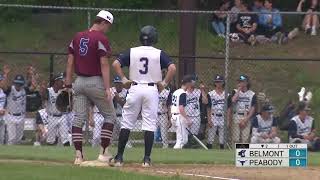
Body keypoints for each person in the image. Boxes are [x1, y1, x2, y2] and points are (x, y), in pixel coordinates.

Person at [111, 25, 176, 167]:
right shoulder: (159, 53)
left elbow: (116, 63)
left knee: (127, 122)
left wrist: (123, 79)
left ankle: (119, 158)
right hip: (151, 89)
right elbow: (172, 68)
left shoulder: (133, 51)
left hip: (135, 87)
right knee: (149, 125)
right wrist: (164, 83)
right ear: (154, 38)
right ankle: (146, 159)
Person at [65, 10, 117, 165]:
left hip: (79, 82)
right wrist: (107, 88)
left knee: (78, 119)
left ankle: (78, 156)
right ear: (103, 22)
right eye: (108, 25)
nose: (108, 29)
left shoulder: (77, 36)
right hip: (95, 82)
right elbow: (104, 63)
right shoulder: (101, 38)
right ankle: (103, 153)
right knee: (110, 116)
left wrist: (68, 84)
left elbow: (69, 62)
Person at [3, 66, 37, 145]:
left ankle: (15, 153)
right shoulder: (10, 89)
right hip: (11, 116)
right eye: (17, 83)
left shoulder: (24, 90)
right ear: (14, 83)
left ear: (22, 84)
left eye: (20, 84)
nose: (18, 85)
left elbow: (34, 86)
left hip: (21, 116)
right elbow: (3, 86)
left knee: (18, 138)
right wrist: (5, 74)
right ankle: (10, 155)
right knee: (12, 138)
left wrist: (32, 75)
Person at [42, 73, 70, 146]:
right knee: (51, 139)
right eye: (60, 81)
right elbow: (44, 97)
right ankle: (49, 153)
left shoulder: (63, 92)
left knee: (65, 138)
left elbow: (68, 103)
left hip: (62, 116)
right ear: (56, 82)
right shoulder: (48, 91)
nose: (62, 82)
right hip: (52, 117)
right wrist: (43, 89)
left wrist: (68, 92)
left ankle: (68, 154)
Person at [229, 75, 257, 143]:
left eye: (242, 81)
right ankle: (234, 152)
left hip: (246, 116)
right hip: (236, 115)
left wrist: (246, 119)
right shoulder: (235, 91)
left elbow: (253, 108)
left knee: (245, 139)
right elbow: (233, 101)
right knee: (235, 139)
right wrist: (238, 90)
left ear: (247, 83)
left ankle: (244, 152)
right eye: (239, 81)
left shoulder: (252, 94)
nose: (240, 83)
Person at [185, 75, 208, 147]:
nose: (195, 82)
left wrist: (202, 90)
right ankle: (186, 147)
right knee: (185, 135)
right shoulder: (184, 92)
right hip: (186, 116)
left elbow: (205, 102)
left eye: (195, 81)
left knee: (194, 135)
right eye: (193, 80)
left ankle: (192, 147)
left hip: (196, 116)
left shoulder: (198, 91)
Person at [171, 75, 194, 149]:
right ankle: (175, 156)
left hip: (174, 116)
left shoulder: (176, 91)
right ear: (187, 83)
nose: (192, 84)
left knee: (183, 139)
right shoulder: (183, 93)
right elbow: (181, 108)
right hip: (179, 117)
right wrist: (188, 119)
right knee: (182, 140)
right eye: (191, 82)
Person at [207, 75, 228, 149]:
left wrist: (228, 120)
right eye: (216, 82)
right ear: (215, 83)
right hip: (213, 116)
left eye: (220, 82)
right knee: (210, 138)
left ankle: (222, 154)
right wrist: (209, 119)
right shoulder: (211, 94)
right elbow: (209, 107)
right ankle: (208, 154)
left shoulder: (226, 94)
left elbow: (229, 109)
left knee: (222, 139)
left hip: (223, 117)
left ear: (223, 83)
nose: (218, 83)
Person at [157, 82, 172, 149]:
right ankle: (149, 146)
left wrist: (170, 118)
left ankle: (165, 146)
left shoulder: (167, 92)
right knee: (150, 131)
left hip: (163, 114)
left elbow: (169, 106)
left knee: (164, 133)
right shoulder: (152, 91)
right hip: (153, 115)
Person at [0, 73, 7, 145]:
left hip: (2, 118)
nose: (2, 82)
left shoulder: (3, 92)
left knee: (2, 139)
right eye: (1, 81)